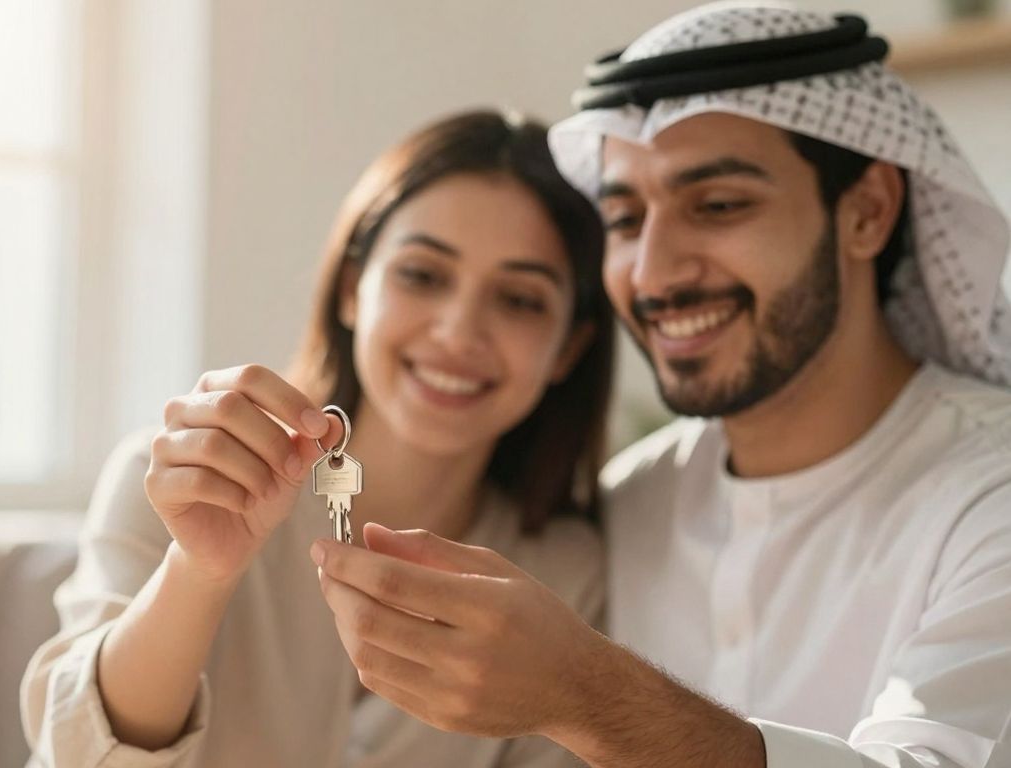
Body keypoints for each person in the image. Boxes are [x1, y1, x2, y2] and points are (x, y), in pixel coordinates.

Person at [310, 4, 1011, 767]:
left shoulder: (989, 492)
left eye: (717, 206)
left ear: (868, 213)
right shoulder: (634, 500)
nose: (654, 272)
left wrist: (591, 696)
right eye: (624, 218)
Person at [20, 109, 616, 767]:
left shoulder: (565, 571)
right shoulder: (182, 480)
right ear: (353, 290)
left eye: (520, 300)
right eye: (423, 275)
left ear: (570, 348)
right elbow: (71, 754)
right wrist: (199, 570)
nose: (458, 332)